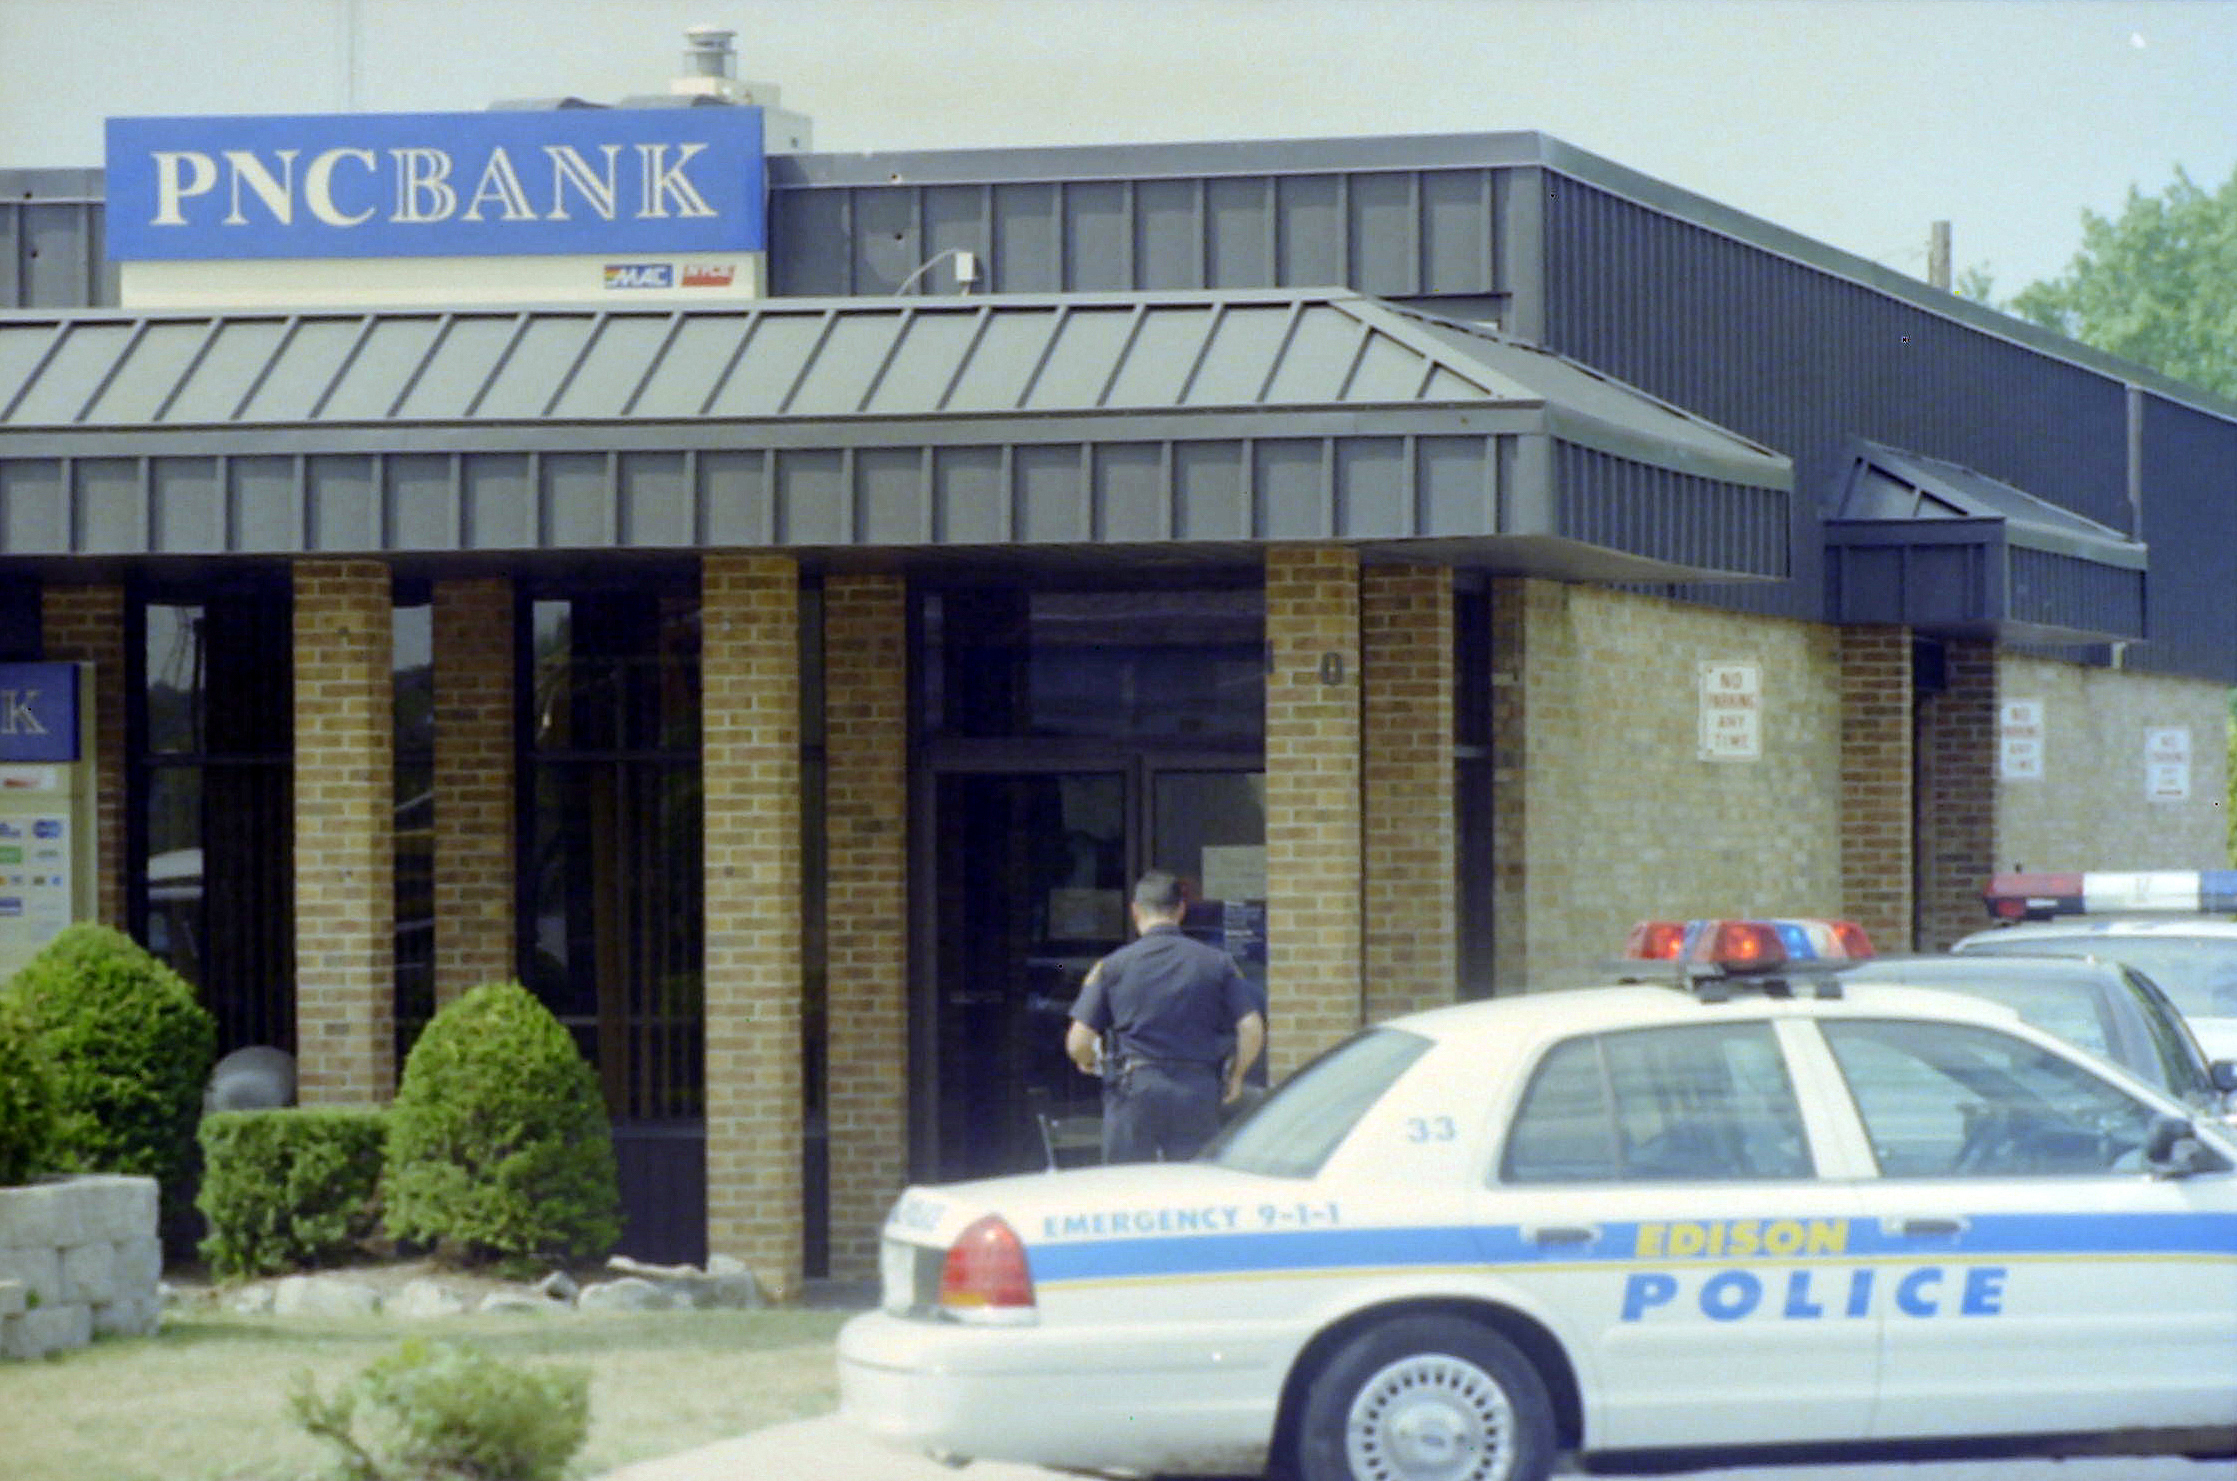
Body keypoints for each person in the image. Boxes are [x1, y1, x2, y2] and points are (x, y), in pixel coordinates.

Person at [1065, 870, 1266, 1163]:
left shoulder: (1112, 966)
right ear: (1181, 910)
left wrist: (1089, 1060)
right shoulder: (1218, 963)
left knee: (1128, 1184)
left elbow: (1078, 1041)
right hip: (1196, 1090)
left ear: (1135, 911)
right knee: (1191, 1182)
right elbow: (1251, 1027)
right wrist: (1236, 1075)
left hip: (1133, 1090)